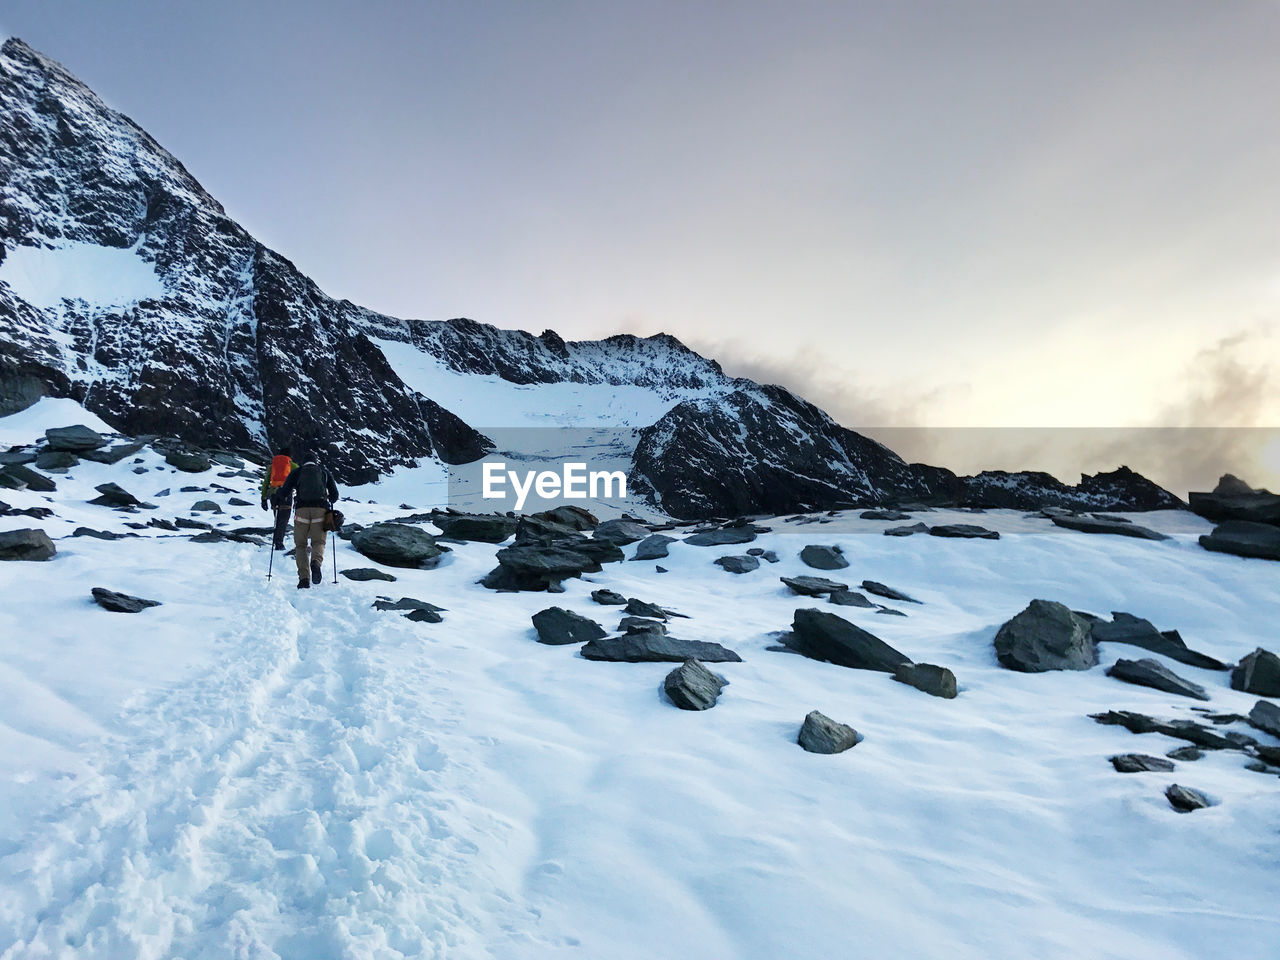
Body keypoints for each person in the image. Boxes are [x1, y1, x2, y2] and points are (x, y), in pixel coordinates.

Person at [274, 451, 340, 588]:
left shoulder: (297, 472)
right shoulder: (324, 472)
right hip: (320, 511)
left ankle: (304, 579)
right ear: (316, 461)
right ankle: (316, 562)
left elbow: (285, 491)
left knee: (301, 546)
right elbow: (334, 495)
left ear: (303, 462)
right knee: (318, 542)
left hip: (301, 512)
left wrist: (276, 496)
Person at [260, 444, 298, 550]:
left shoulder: (273, 466)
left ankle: (277, 539)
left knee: (277, 518)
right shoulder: (292, 465)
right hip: (286, 494)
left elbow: (266, 482)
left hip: (273, 494)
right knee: (283, 519)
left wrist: (263, 498)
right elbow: (299, 480)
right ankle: (279, 543)